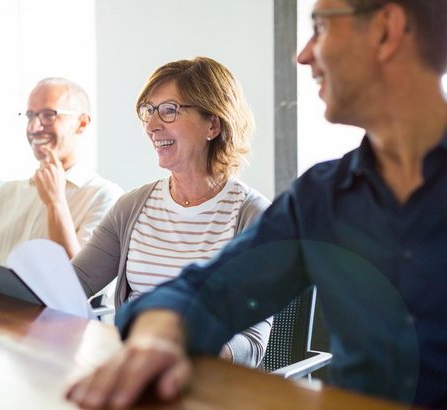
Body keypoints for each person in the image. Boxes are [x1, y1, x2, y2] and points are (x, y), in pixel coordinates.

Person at [66, 1, 447, 409]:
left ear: (385, 30)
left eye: (319, 26)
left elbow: (249, 342)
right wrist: (160, 332)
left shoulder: (254, 205)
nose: (303, 56)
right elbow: (213, 289)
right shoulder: (320, 197)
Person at [70, 57, 272, 368]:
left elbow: (252, 344)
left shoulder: (252, 215)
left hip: (204, 380)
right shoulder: (131, 207)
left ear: (213, 125)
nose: (151, 126)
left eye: (169, 110)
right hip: (131, 369)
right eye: (149, 111)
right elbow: (74, 282)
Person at [0, 77, 123, 289]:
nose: (34, 127)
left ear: (82, 123)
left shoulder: (105, 196)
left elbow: (78, 284)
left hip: (50, 320)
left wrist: (56, 203)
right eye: (30, 115)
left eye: (49, 115)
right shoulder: (4, 193)